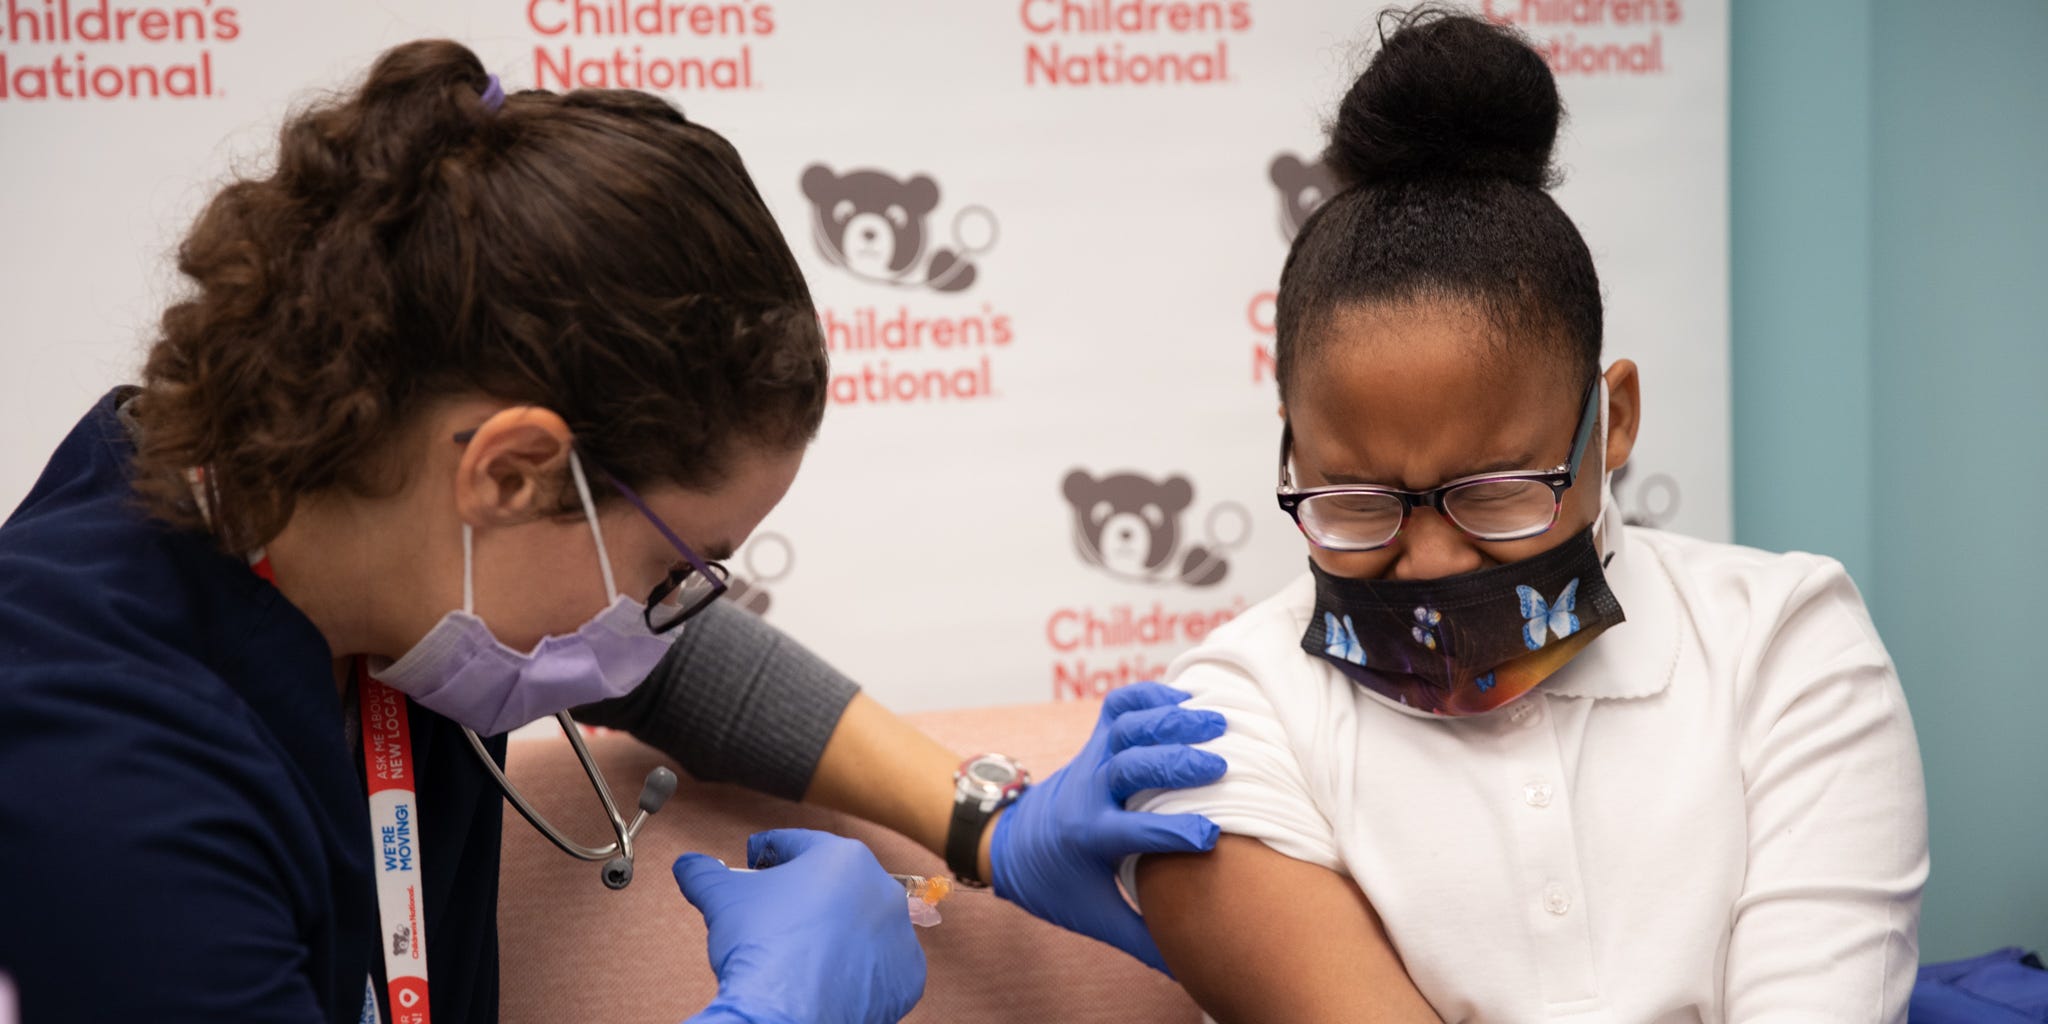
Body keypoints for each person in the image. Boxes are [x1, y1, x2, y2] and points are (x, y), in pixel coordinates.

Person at [0, 39, 1227, 1024]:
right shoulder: (105, 765)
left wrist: (986, 823)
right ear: (513, 470)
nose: (660, 623)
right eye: (671, 568)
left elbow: (664, 665)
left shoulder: (324, 520)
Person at [1125, 9, 1930, 1023]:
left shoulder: (1782, 644)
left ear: (1613, 422)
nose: (1424, 560)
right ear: (1290, 450)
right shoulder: (1229, 711)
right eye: (1355, 502)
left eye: (1495, 491)